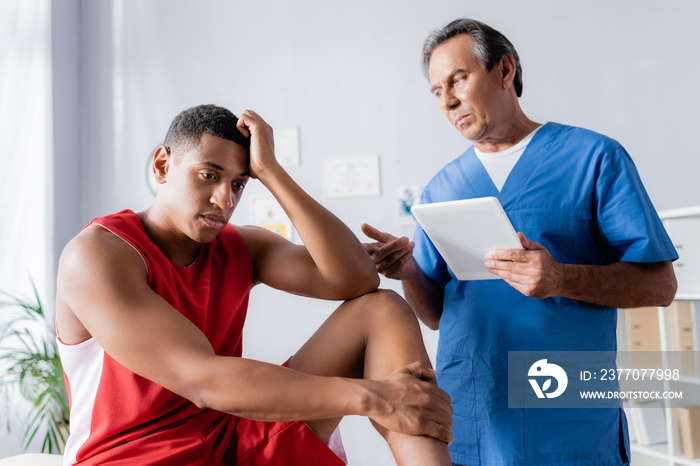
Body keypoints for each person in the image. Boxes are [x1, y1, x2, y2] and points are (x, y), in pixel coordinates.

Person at [54, 104, 453, 465]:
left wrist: (271, 172)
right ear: (162, 166)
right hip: (134, 457)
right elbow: (202, 380)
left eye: (239, 184)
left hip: (230, 437)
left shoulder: (240, 246)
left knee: (382, 308)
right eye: (209, 176)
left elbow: (358, 281)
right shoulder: (96, 256)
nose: (225, 200)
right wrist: (377, 397)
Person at [361, 18, 678, 466]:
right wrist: (408, 272)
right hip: (473, 408)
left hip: (565, 408)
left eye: (458, 80)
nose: (448, 101)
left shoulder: (593, 158)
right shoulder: (442, 188)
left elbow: (661, 286)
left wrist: (560, 278)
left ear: (505, 71)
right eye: (437, 91)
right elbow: (435, 314)